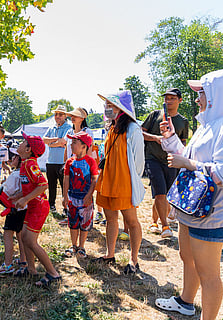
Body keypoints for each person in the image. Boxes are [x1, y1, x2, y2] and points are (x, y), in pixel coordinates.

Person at [156, 69, 223, 319]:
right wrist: (171, 138)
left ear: (219, 95)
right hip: (192, 208)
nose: (197, 98)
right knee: (188, 257)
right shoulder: (208, 125)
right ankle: (186, 302)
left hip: (212, 213)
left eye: (202, 92)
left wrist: (188, 165)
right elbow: (188, 157)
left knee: (209, 274)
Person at [94, 90, 145, 275]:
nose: (107, 108)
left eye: (111, 105)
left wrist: (133, 182)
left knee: (131, 222)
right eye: (107, 104)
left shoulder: (133, 129)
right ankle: (110, 254)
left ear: (121, 108)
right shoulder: (112, 128)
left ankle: (134, 259)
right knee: (110, 220)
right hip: (108, 181)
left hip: (124, 183)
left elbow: (139, 162)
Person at [10, 132, 61, 286]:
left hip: (39, 207)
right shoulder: (25, 164)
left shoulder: (31, 164)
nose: (20, 143)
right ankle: (31, 269)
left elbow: (43, 185)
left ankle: (53, 273)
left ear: (28, 150)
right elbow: (29, 188)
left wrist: (25, 199)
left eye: (23, 142)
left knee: (31, 241)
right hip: (32, 206)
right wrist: (18, 196)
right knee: (24, 237)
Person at [142, 88, 189, 238]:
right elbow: (140, 133)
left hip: (171, 162)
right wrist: (156, 138)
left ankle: (154, 221)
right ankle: (165, 226)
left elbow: (182, 145)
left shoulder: (183, 121)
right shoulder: (155, 115)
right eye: (166, 98)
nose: (168, 101)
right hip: (152, 158)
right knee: (160, 193)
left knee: (165, 194)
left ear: (180, 100)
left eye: (172, 98)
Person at [62, 131, 98, 259]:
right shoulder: (69, 162)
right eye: (71, 142)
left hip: (85, 199)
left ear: (84, 146)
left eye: (75, 142)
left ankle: (82, 246)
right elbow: (66, 179)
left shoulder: (91, 162)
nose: (71, 145)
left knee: (85, 223)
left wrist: (89, 195)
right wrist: (65, 195)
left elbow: (94, 179)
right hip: (72, 198)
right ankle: (73, 245)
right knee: (73, 222)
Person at [0, 149, 27, 274]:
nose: (12, 159)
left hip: (14, 210)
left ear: (20, 160)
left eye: (15, 157)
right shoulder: (24, 174)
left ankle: (8, 264)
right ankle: (23, 261)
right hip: (24, 209)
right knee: (20, 235)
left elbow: (7, 192)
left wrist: (2, 187)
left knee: (8, 234)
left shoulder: (14, 175)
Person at [42, 105, 72, 214]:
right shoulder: (52, 127)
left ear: (65, 116)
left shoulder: (69, 127)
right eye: (56, 114)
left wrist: (51, 143)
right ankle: (51, 205)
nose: (57, 116)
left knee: (65, 187)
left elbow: (63, 141)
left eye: (60, 114)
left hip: (62, 162)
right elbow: (44, 140)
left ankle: (66, 208)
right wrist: (56, 141)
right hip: (50, 162)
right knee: (51, 186)